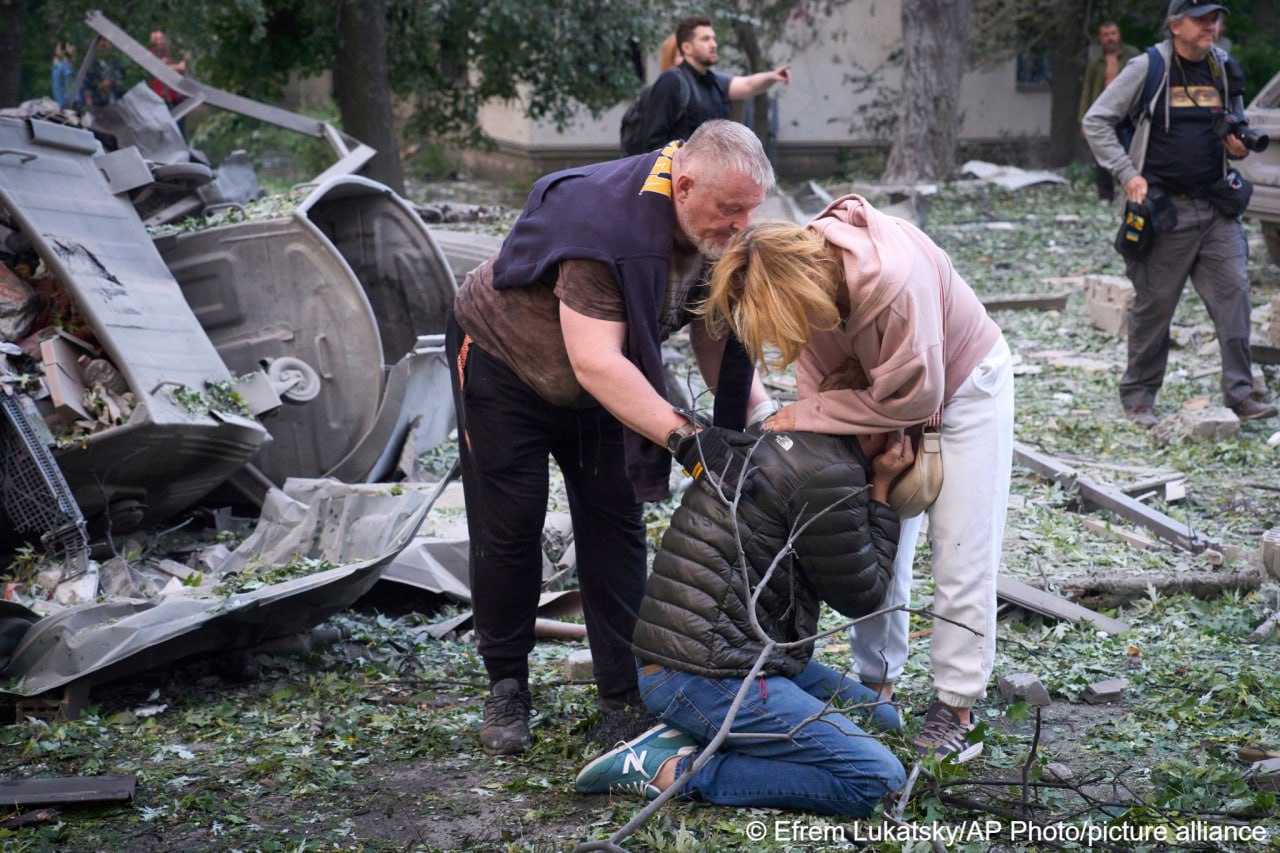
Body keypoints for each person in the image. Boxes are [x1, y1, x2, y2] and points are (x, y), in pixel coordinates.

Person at [446, 120, 777, 757]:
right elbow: (596, 360)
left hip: (605, 378)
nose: (740, 225)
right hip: (506, 362)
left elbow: (715, 335)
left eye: (750, 211)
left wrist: (757, 422)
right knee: (511, 522)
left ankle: (621, 697)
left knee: (615, 522)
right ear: (683, 187)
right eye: (729, 209)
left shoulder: (719, 230)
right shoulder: (604, 230)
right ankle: (507, 684)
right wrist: (685, 439)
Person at [699, 206, 1014, 764]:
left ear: (806, 286)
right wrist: (827, 432)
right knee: (876, 532)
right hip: (870, 390)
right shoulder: (802, 286)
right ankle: (877, 685)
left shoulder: (893, 283)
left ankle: (956, 705)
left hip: (960, 384)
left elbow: (919, 395)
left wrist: (811, 414)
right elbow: (816, 383)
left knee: (961, 547)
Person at [574, 427, 910, 813]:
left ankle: (701, 733)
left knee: (884, 720)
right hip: (703, 674)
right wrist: (881, 490)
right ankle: (671, 769)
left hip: (736, 656)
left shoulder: (785, 438)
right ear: (879, 432)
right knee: (877, 779)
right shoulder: (830, 472)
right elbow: (862, 595)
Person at [1083, 0, 1276, 427]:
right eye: (1202, 19)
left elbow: (1237, 128)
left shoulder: (1223, 68)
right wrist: (1127, 173)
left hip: (1216, 208)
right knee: (1153, 308)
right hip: (1162, 212)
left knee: (1235, 297)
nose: (1212, 25)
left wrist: (1238, 146)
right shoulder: (1147, 67)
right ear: (1176, 26)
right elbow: (1095, 121)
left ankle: (1242, 394)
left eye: (1215, 18)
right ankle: (1139, 399)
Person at [634, 15, 791, 155]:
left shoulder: (715, 81)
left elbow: (748, 85)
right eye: (705, 39)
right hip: (680, 179)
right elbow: (653, 142)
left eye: (713, 38)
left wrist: (772, 76)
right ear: (686, 48)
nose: (713, 44)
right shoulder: (671, 81)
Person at [1078, 21, 1140, 201]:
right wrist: (1083, 120)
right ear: (1101, 38)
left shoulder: (1132, 56)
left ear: (1119, 34)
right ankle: (1106, 196)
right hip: (1103, 115)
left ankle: (1130, 192)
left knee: (1129, 154)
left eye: (1113, 33)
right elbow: (1087, 91)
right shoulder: (1096, 62)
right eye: (1105, 34)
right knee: (1103, 156)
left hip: (1127, 114)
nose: (1110, 37)